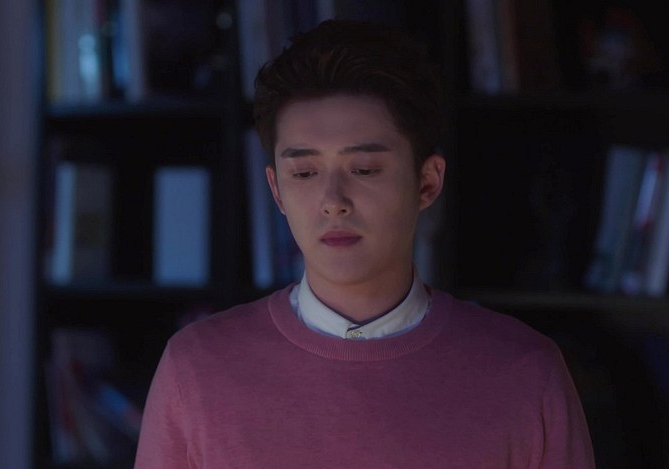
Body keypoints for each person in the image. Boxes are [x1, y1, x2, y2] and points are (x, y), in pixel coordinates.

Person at [135, 19, 595, 468]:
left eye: (365, 169)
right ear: (276, 190)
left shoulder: (525, 374)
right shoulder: (195, 370)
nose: (333, 202)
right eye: (305, 173)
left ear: (427, 182)